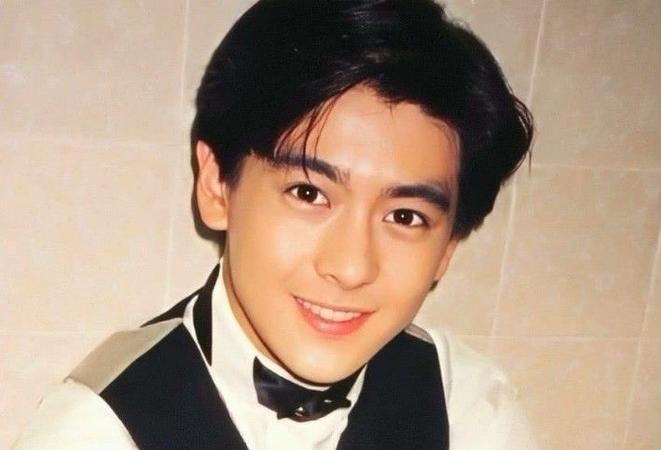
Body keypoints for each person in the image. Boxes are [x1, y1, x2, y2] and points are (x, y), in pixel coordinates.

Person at [13, 0, 537, 449]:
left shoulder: (467, 407)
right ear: (217, 186)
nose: (351, 267)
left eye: (404, 216)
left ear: (448, 247)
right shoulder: (96, 431)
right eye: (309, 193)